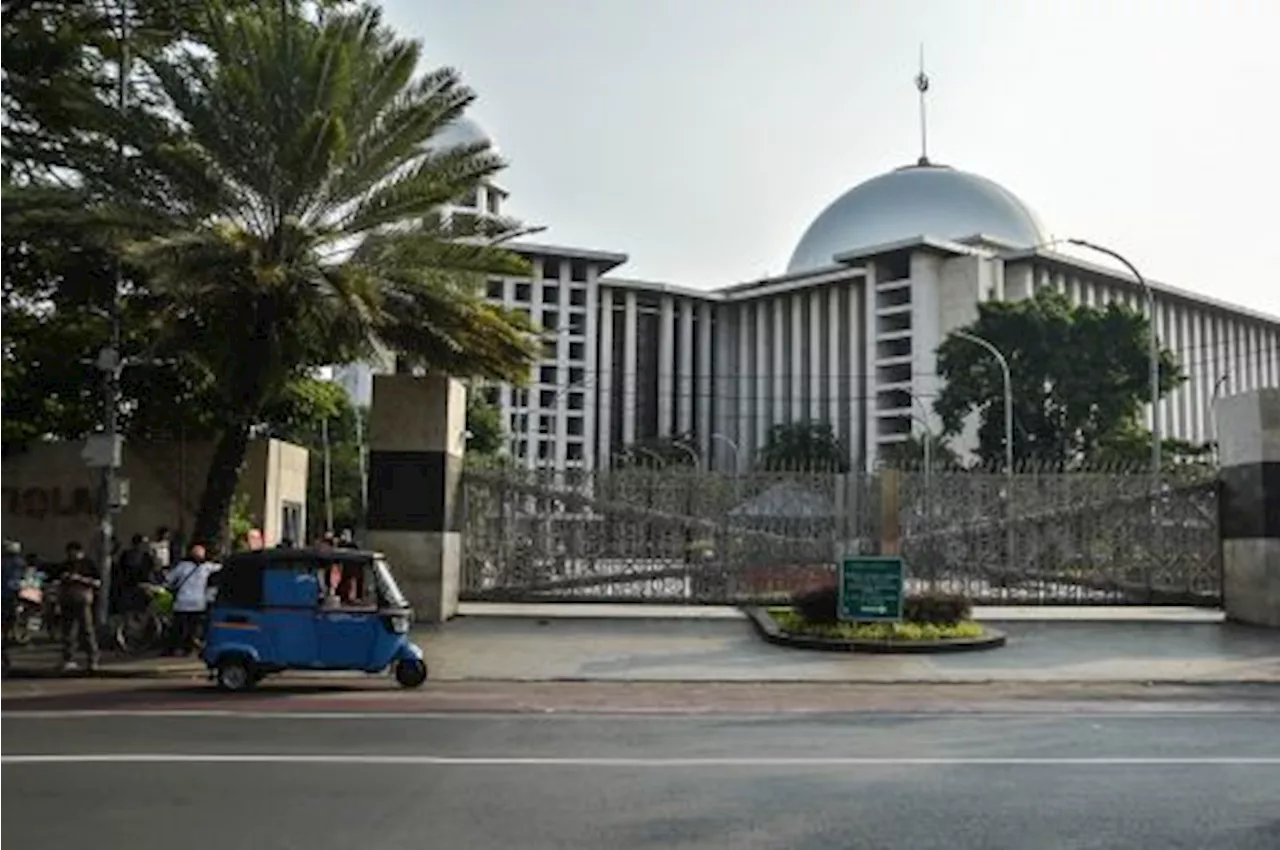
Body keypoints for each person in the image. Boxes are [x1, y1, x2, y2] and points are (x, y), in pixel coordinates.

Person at [164, 543, 220, 656]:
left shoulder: (182, 566)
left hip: (182, 603)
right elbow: (221, 567)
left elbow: (169, 579)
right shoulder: (207, 567)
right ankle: (187, 649)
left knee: (178, 628)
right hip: (198, 604)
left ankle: (173, 649)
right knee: (192, 629)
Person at [58, 541, 101, 673]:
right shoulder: (65, 564)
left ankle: (92, 659)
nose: (72, 556)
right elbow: (58, 578)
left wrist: (80, 579)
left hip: (82, 599)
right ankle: (68, 659)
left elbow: (97, 582)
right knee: (68, 632)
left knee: (87, 630)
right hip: (67, 599)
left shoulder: (88, 564)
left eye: (74, 552)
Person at [0, 540, 26, 675]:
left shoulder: (9, 564)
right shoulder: (19, 564)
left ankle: (4, 654)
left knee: (5, 624)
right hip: (11, 597)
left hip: (7, 597)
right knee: (7, 625)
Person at [114, 534, 156, 616]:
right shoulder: (127, 555)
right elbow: (121, 570)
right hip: (130, 586)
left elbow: (150, 570)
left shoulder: (146, 557)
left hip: (141, 586)